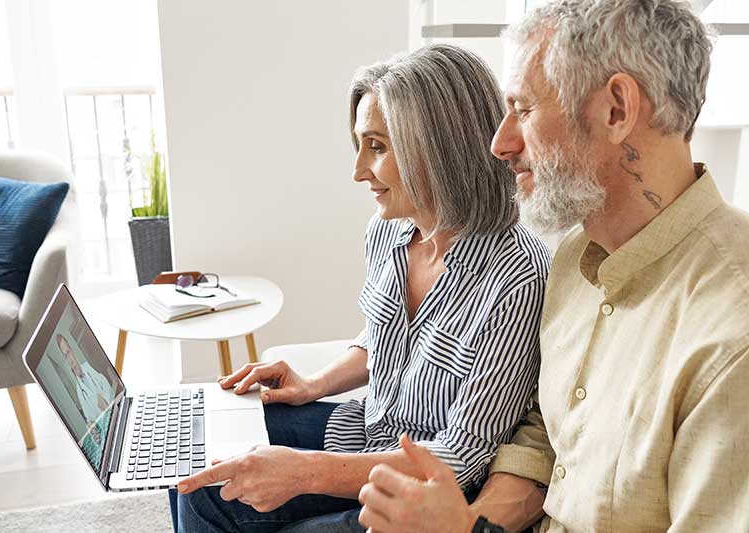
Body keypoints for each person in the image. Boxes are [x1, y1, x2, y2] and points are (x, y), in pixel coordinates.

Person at [357, 1, 749, 532]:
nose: (499, 144)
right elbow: (550, 429)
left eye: (522, 109)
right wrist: (474, 523)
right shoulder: (571, 258)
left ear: (616, 110)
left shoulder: (730, 341)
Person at [168, 44, 551, 532]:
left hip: (426, 491)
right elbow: (386, 336)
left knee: (222, 497)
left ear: (438, 148)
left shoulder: (516, 277)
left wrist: (304, 473)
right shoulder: (388, 230)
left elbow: (462, 455)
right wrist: (316, 383)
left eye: (377, 146)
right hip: (365, 431)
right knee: (196, 460)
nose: (357, 171)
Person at [56, 333, 112, 427]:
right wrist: (90, 426)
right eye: (65, 356)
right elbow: (89, 419)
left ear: (72, 351)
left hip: (115, 411)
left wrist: (105, 401)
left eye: (68, 352)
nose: (70, 360)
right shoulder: (79, 391)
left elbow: (107, 385)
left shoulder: (90, 366)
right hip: (107, 427)